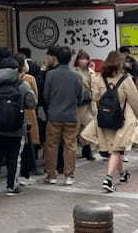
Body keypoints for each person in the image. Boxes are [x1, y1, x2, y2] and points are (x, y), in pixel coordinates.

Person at [82, 51, 138, 193]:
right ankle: (108, 179)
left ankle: (122, 174)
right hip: (123, 118)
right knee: (117, 149)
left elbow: (96, 97)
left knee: (115, 148)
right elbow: (135, 100)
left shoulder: (99, 78)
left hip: (105, 118)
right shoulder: (126, 79)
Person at [0, 57, 36, 195]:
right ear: (16, 70)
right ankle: (11, 186)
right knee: (14, 157)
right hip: (18, 128)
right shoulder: (22, 85)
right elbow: (31, 103)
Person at [43, 46, 83, 186]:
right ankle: (69, 176)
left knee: (51, 145)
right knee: (70, 146)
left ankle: (51, 175)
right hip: (71, 115)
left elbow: (46, 96)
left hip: (54, 115)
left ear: (57, 58)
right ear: (70, 59)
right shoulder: (76, 76)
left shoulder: (50, 75)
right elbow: (80, 96)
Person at [16, 54, 41, 185]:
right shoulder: (29, 78)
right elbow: (35, 98)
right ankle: (25, 174)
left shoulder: (11, 79)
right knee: (28, 144)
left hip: (14, 115)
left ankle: (15, 176)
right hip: (29, 113)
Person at [74, 50, 96, 161]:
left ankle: (87, 149)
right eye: (81, 58)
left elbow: (95, 85)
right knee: (77, 127)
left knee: (89, 126)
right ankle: (83, 150)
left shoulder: (90, 72)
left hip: (89, 103)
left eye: (86, 58)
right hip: (78, 104)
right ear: (77, 60)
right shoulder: (75, 72)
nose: (83, 61)